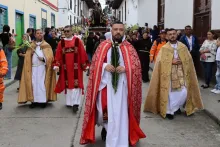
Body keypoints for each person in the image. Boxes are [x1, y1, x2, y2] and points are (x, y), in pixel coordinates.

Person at [80, 21, 146, 147]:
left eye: (121, 29)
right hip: (106, 85)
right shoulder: (103, 45)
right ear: (111, 30)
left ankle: (121, 135)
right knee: (103, 111)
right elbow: (94, 64)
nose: (118, 32)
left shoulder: (129, 47)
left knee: (121, 112)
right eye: (115, 29)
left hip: (123, 86)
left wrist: (126, 68)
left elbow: (136, 66)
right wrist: (104, 66)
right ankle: (106, 129)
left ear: (124, 31)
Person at [144, 28, 203, 120]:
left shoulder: (183, 47)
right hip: (168, 74)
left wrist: (182, 61)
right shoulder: (164, 48)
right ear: (167, 36)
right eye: (170, 34)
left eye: (174, 34)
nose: (172, 35)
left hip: (181, 73)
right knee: (169, 93)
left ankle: (176, 107)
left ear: (177, 35)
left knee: (184, 91)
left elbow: (189, 60)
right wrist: (171, 61)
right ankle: (169, 111)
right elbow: (159, 62)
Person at [17, 29, 57, 108]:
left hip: (42, 68)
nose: (39, 35)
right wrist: (30, 54)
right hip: (33, 68)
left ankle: (42, 101)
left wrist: (44, 59)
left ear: (43, 34)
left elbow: (50, 58)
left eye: (41, 33)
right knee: (33, 84)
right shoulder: (31, 45)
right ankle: (34, 101)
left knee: (42, 84)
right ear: (35, 35)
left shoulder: (46, 45)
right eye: (37, 33)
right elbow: (27, 57)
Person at [53, 25, 89, 113]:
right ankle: (69, 102)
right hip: (66, 68)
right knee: (68, 86)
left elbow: (82, 53)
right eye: (64, 31)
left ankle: (76, 104)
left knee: (76, 85)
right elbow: (58, 55)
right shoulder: (61, 43)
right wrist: (57, 65)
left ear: (72, 32)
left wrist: (85, 65)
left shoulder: (77, 41)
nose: (66, 33)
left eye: (68, 31)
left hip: (76, 68)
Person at [0, 42, 8, 110]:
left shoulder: (0, 50)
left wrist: (3, 71)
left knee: (0, 89)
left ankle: (0, 102)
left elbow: (3, 62)